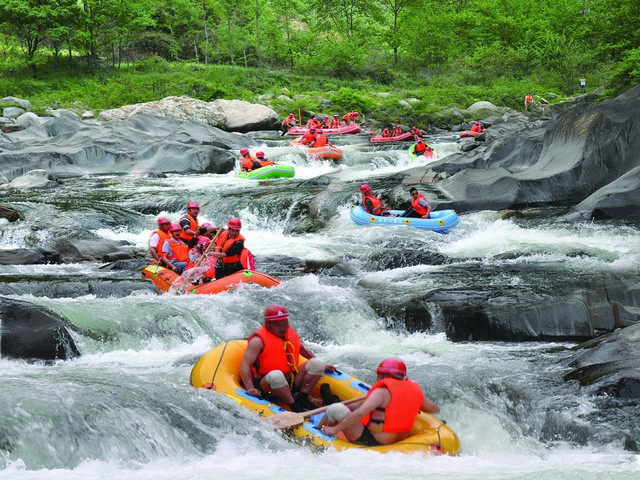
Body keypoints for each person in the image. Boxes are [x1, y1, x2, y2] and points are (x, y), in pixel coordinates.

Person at [318, 358, 439, 446]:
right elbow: (434, 409)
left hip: (373, 441)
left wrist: (335, 429)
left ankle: (319, 431)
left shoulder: (381, 392)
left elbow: (359, 414)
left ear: (382, 375)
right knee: (341, 406)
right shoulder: (413, 390)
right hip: (399, 441)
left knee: (335, 409)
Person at [240, 304, 335, 412]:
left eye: (285, 324)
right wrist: (250, 388)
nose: (282, 328)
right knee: (277, 375)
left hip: (291, 379)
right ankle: (294, 406)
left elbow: (302, 349)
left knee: (318, 363)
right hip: (268, 384)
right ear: (268, 324)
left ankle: (303, 397)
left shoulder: (290, 333)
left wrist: (324, 365)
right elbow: (245, 364)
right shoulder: (258, 340)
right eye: (278, 325)